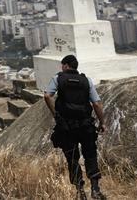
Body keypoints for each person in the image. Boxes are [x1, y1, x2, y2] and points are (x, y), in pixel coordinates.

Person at [44, 54, 107, 200]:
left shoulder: (58, 78)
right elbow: (97, 103)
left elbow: (47, 96)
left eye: (62, 65)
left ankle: (80, 192)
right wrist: (102, 122)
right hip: (86, 126)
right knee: (91, 155)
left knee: (72, 158)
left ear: (66, 66)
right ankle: (95, 190)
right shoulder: (86, 81)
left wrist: (56, 115)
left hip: (66, 127)